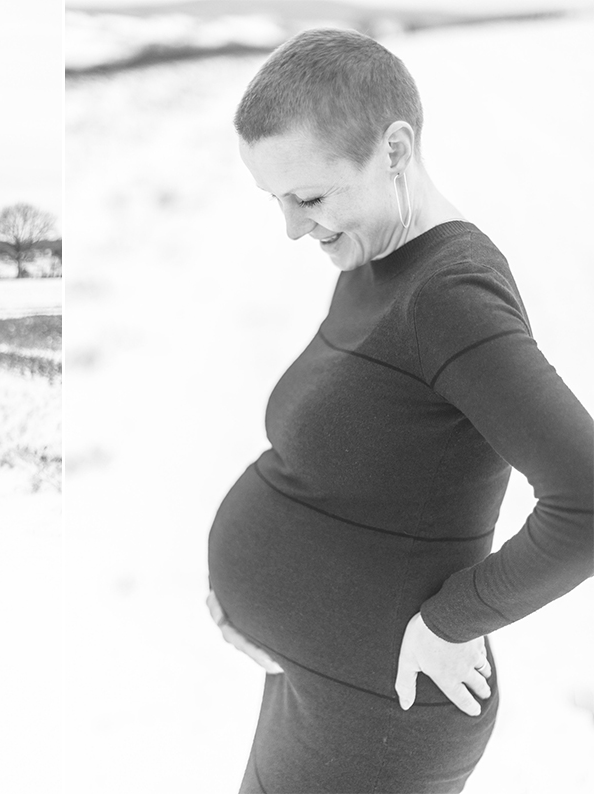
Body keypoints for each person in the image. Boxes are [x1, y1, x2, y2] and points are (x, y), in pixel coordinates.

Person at [206, 28, 593, 793]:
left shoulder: (450, 298)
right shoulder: (371, 252)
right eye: (274, 199)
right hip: (316, 693)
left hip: (384, 716)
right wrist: (260, 602)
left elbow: (586, 499)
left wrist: (454, 621)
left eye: (309, 197)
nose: (291, 227)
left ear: (392, 150)